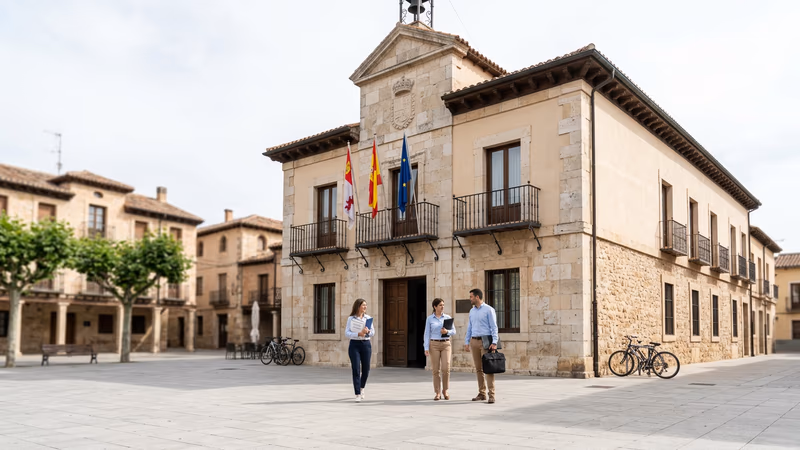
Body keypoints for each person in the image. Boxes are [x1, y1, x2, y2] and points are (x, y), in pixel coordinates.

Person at [463, 288, 499, 404]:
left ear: (477, 297)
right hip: (474, 341)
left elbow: (494, 327)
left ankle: (491, 394)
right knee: (478, 369)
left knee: (488, 369)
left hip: (486, 342)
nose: (470, 299)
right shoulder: (472, 311)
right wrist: (467, 341)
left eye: (471, 297)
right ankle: (482, 393)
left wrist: (494, 342)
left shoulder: (489, 310)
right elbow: (470, 327)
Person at [423, 298, 456, 401]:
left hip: (446, 344)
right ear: (435, 307)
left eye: (443, 305)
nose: (442, 307)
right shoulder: (430, 319)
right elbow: (427, 333)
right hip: (434, 344)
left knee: (446, 368)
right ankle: (437, 392)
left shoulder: (447, 317)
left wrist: (447, 332)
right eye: (440, 305)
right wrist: (426, 347)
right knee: (435, 369)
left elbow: (453, 331)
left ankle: (445, 390)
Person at [345, 298, 375, 403]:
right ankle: (357, 393)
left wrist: (367, 332)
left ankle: (362, 387)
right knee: (356, 369)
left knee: (366, 369)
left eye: (366, 305)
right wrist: (358, 334)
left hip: (366, 344)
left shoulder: (368, 318)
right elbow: (347, 333)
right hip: (355, 345)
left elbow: (373, 332)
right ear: (358, 306)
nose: (365, 307)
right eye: (363, 305)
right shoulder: (351, 319)